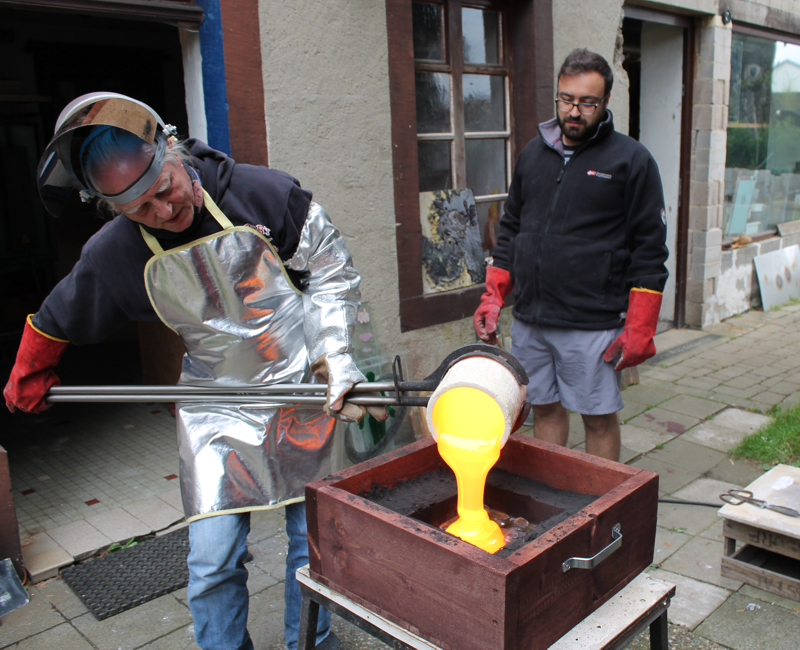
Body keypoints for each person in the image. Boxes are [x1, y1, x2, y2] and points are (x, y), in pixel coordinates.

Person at [4, 92, 385, 650]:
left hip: (304, 385)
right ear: (114, 211)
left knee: (314, 549)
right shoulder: (115, 254)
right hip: (216, 404)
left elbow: (330, 270)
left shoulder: (263, 192)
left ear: (172, 149)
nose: (162, 211)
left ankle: (311, 643)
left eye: (164, 190)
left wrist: (337, 354)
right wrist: (30, 370)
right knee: (211, 560)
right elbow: (60, 313)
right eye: (139, 210)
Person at [473, 49, 669, 462]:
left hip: (590, 322)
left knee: (597, 418)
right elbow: (511, 228)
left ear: (604, 103)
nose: (574, 112)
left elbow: (650, 248)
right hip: (531, 320)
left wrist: (640, 325)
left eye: (587, 102)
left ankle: (602, 505)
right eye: (566, 99)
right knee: (542, 409)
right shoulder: (532, 155)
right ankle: (552, 499)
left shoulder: (631, 161)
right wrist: (493, 296)